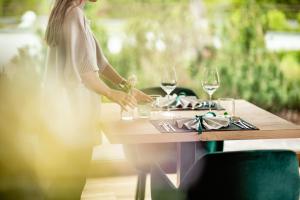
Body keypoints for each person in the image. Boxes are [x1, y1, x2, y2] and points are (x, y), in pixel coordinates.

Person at [43, 0, 151, 199]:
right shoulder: (73, 15)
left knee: (63, 185)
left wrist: (126, 86)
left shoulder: (66, 12)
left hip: (63, 118)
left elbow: (98, 63)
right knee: (69, 187)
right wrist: (112, 94)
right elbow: (87, 74)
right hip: (74, 118)